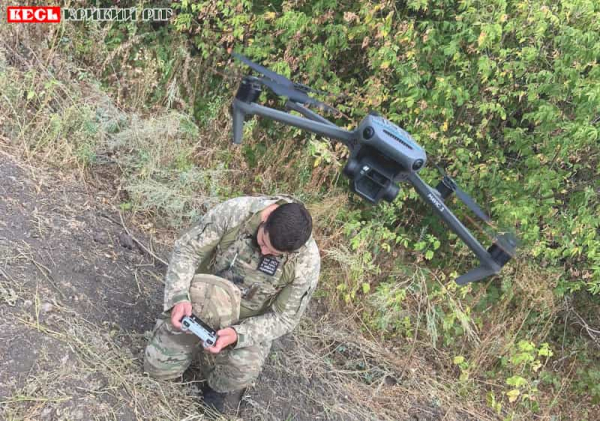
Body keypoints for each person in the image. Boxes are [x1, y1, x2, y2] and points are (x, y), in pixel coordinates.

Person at [144, 195, 320, 414]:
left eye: (274, 254)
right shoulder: (237, 212)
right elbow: (187, 250)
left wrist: (239, 335)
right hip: (201, 303)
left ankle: (215, 384)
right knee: (157, 368)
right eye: (264, 242)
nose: (264, 252)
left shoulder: (306, 263)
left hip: (243, 321)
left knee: (244, 365)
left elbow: (284, 318)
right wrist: (178, 297)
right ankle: (188, 343)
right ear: (266, 218)